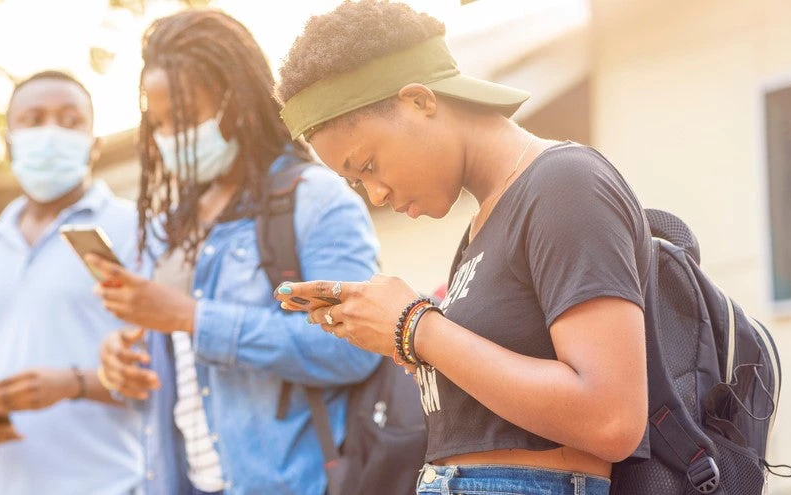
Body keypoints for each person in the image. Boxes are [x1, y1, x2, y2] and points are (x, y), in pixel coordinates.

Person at [274, 2, 650, 494]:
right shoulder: (480, 226)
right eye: (355, 183)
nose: (376, 195)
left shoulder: (564, 184)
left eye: (366, 165)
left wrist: (416, 327)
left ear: (419, 101)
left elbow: (611, 418)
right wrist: (400, 334)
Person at [87, 9, 382, 495]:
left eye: (184, 118)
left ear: (238, 103)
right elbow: (173, 372)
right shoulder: (166, 230)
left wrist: (196, 319)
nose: (169, 138)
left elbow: (353, 348)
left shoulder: (315, 201)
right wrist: (118, 365)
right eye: (159, 123)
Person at [0, 71, 146, 495]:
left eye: (70, 121)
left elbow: (168, 370)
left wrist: (73, 384)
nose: (50, 133)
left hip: (113, 484)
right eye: (32, 120)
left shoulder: (140, 232)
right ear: (8, 142)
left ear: (94, 145)